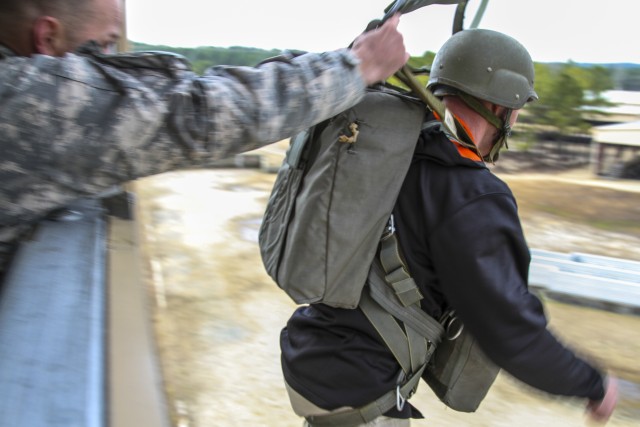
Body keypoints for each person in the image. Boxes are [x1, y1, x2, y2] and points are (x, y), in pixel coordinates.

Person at [280, 29, 619, 426]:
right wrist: (593, 384)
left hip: (318, 359)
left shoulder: (392, 149)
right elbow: (511, 332)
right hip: (360, 393)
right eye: (517, 108)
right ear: (500, 104)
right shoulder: (470, 194)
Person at [0, 0, 410, 276]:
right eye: (104, 45)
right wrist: (358, 66)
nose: (108, 60)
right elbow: (195, 113)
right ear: (47, 39)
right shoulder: (24, 96)